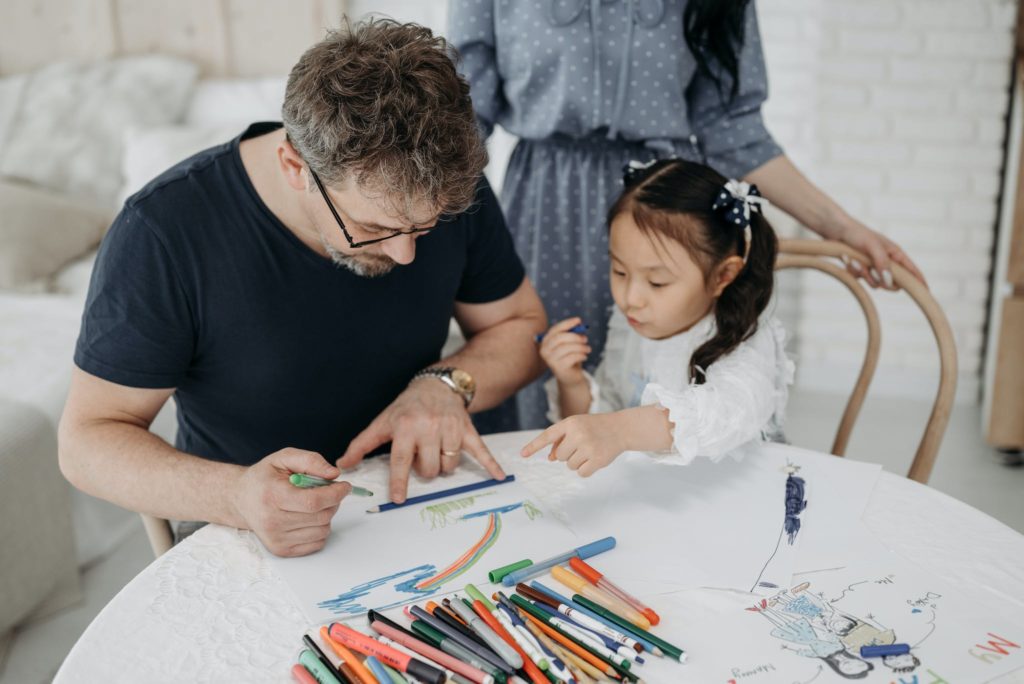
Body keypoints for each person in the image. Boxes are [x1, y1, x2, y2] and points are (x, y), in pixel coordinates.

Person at [58, 19, 547, 557]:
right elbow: (86, 442)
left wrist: (447, 384)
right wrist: (237, 497)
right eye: (376, 228)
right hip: (247, 525)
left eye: (425, 228)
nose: (405, 253)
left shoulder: (442, 187)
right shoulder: (164, 231)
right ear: (295, 164)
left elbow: (522, 328)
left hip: (417, 501)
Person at [449, 0, 925, 429]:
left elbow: (733, 127)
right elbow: (462, 118)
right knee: (551, 373)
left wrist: (844, 229)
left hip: (669, 211)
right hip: (548, 210)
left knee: (682, 375)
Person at [521, 159, 791, 475]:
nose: (630, 299)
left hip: (737, 495)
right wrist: (572, 382)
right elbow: (606, 416)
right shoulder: (632, 324)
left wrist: (619, 430)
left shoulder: (745, 338)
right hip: (655, 495)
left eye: (657, 282)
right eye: (619, 271)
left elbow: (726, 412)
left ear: (722, 276)